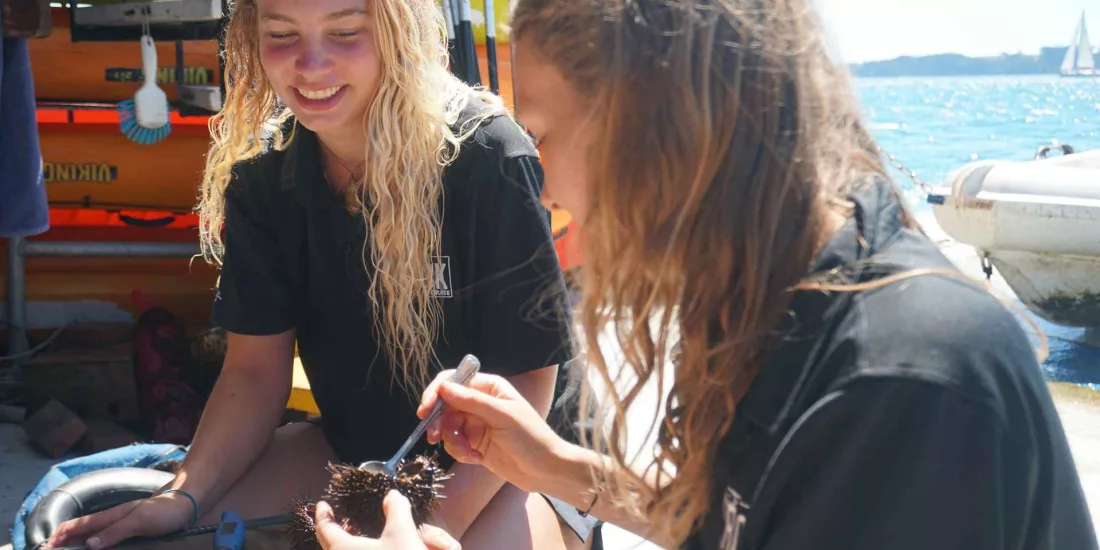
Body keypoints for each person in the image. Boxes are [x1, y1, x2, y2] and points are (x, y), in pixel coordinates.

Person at [317, 0, 1100, 548]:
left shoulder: (902, 381)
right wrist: (558, 466)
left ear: (660, 131)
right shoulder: (796, 294)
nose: (545, 191)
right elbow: (751, 518)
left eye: (544, 136)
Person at [43, 0, 596, 549]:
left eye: (345, 32)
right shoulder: (265, 177)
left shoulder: (487, 155)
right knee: (178, 540)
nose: (310, 65)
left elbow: (529, 383)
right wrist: (180, 498)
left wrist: (432, 530)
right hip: (353, 453)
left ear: (398, 31)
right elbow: (253, 373)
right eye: (282, 35)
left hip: (517, 470)